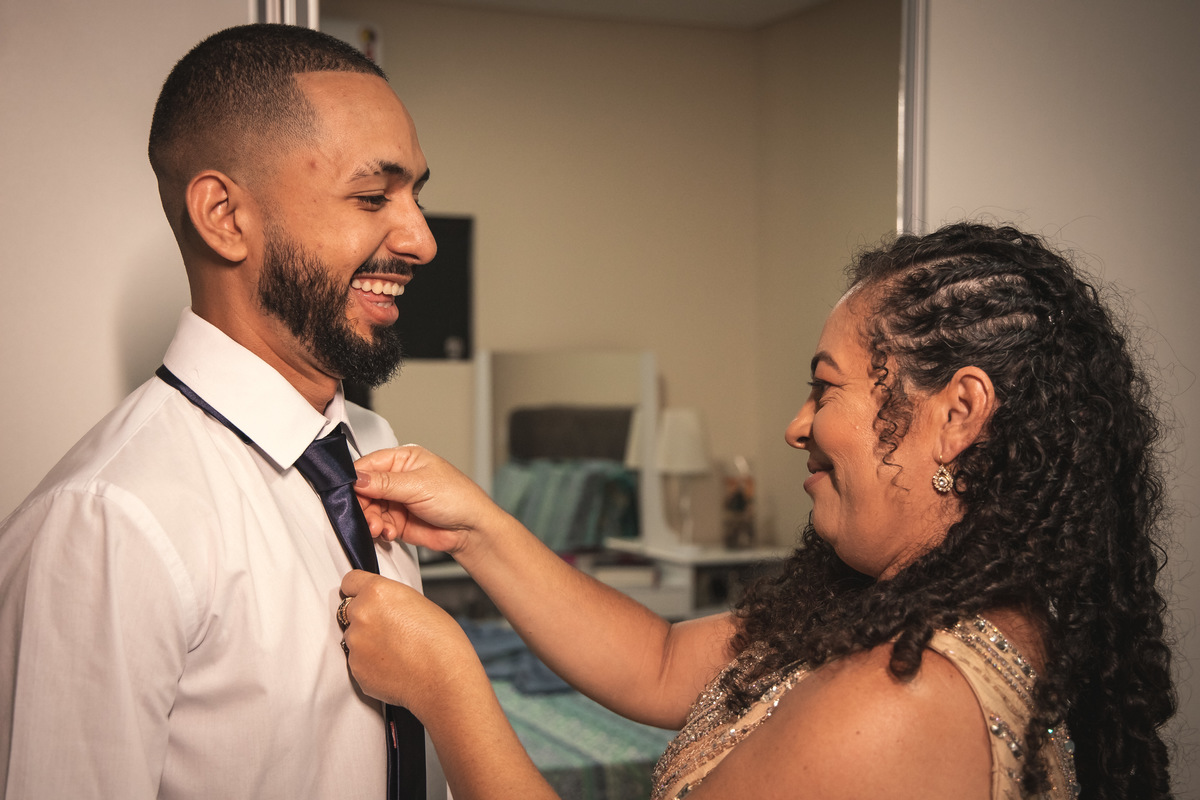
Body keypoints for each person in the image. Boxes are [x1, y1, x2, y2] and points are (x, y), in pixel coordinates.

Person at [339, 222, 1177, 800]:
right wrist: (478, 526)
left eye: (825, 386)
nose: (797, 425)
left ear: (957, 415)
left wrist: (446, 684)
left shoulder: (904, 696)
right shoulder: (908, 612)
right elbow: (660, 660)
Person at [0, 23, 436, 798]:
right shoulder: (108, 524)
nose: (421, 239)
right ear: (225, 217)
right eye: (373, 196)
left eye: (414, 195)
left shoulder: (370, 448)